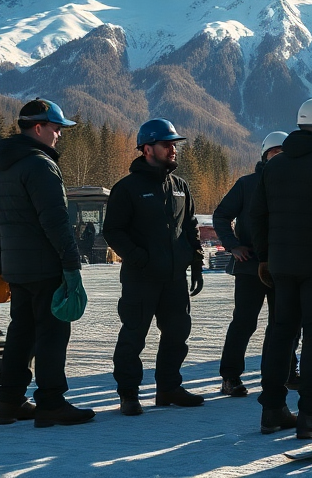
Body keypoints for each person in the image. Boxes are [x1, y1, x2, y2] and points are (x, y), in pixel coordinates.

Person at [0, 99, 93, 428]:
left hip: (17, 267)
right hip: (45, 265)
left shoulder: (7, 165)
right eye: (56, 128)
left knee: (21, 332)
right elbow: (55, 221)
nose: (59, 135)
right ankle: (50, 402)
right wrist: (71, 262)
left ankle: (9, 401)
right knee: (52, 334)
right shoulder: (40, 165)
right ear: (38, 128)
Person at [250, 98, 312, 439]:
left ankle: (272, 410)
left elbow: (256, 216)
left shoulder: (274, 167)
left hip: (281, 265)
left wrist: (264, 257)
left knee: (281, 333)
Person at [104, 119, 205, 415]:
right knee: (134, 335)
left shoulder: (180, 186)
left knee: (177, 333)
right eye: (166, 144)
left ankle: (169, 388)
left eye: (174, 144)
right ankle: (128, 394)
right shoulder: (127, 188)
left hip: (174, 277)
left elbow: (190, 226)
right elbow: (113, 231)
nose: (173, 149)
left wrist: (196, 262)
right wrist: (139, 258)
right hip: (141, 278)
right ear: (148, 149)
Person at [212, 131, 292, 398]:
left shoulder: (295, 184)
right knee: (245, 323)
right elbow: (221, 215)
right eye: (275, 152)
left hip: (284, 266)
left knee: (283, 324)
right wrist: (233, 245)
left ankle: (282, 372)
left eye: (285, 152)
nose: (280, 157)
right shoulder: (247, 184)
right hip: (250, 267)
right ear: (265, 155)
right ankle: (230, 377)